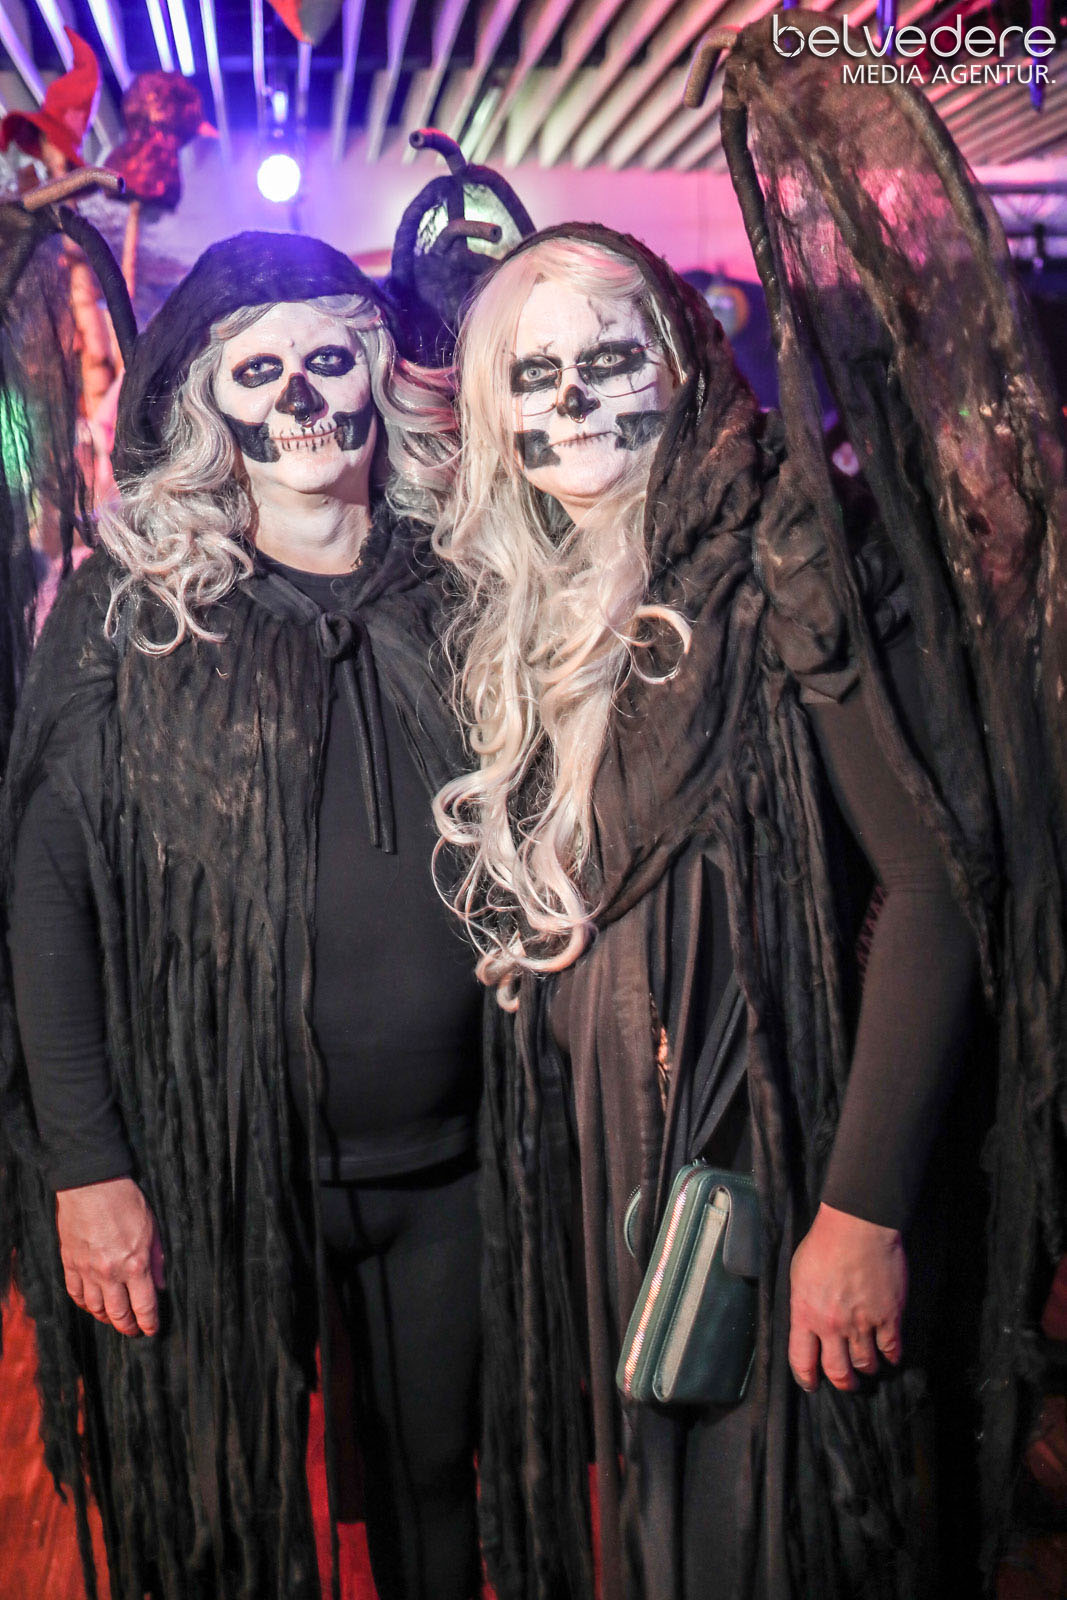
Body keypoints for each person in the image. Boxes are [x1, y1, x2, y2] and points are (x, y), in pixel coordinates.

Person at [432, 224, 998, 1600]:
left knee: (770, 1532)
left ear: (682, 361)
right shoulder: (545, 593)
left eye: (608, 358)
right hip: (629, 1148)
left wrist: (859, 1211)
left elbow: (936, 882)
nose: (572, 400)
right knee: (669, 1529)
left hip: (771, 1141)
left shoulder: (786, 547)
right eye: (534, 372)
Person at [1, 230, 483, 1600]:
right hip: (209, 1164)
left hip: (450, 1163)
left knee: (439, 1486)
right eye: (258, 372)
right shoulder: (136, 609)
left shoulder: (462, 583)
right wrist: (88, 1165)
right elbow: (48, 893)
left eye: (329, 359)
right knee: (224, 1502)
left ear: (378, 374)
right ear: (210, 404)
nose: (301, 398)